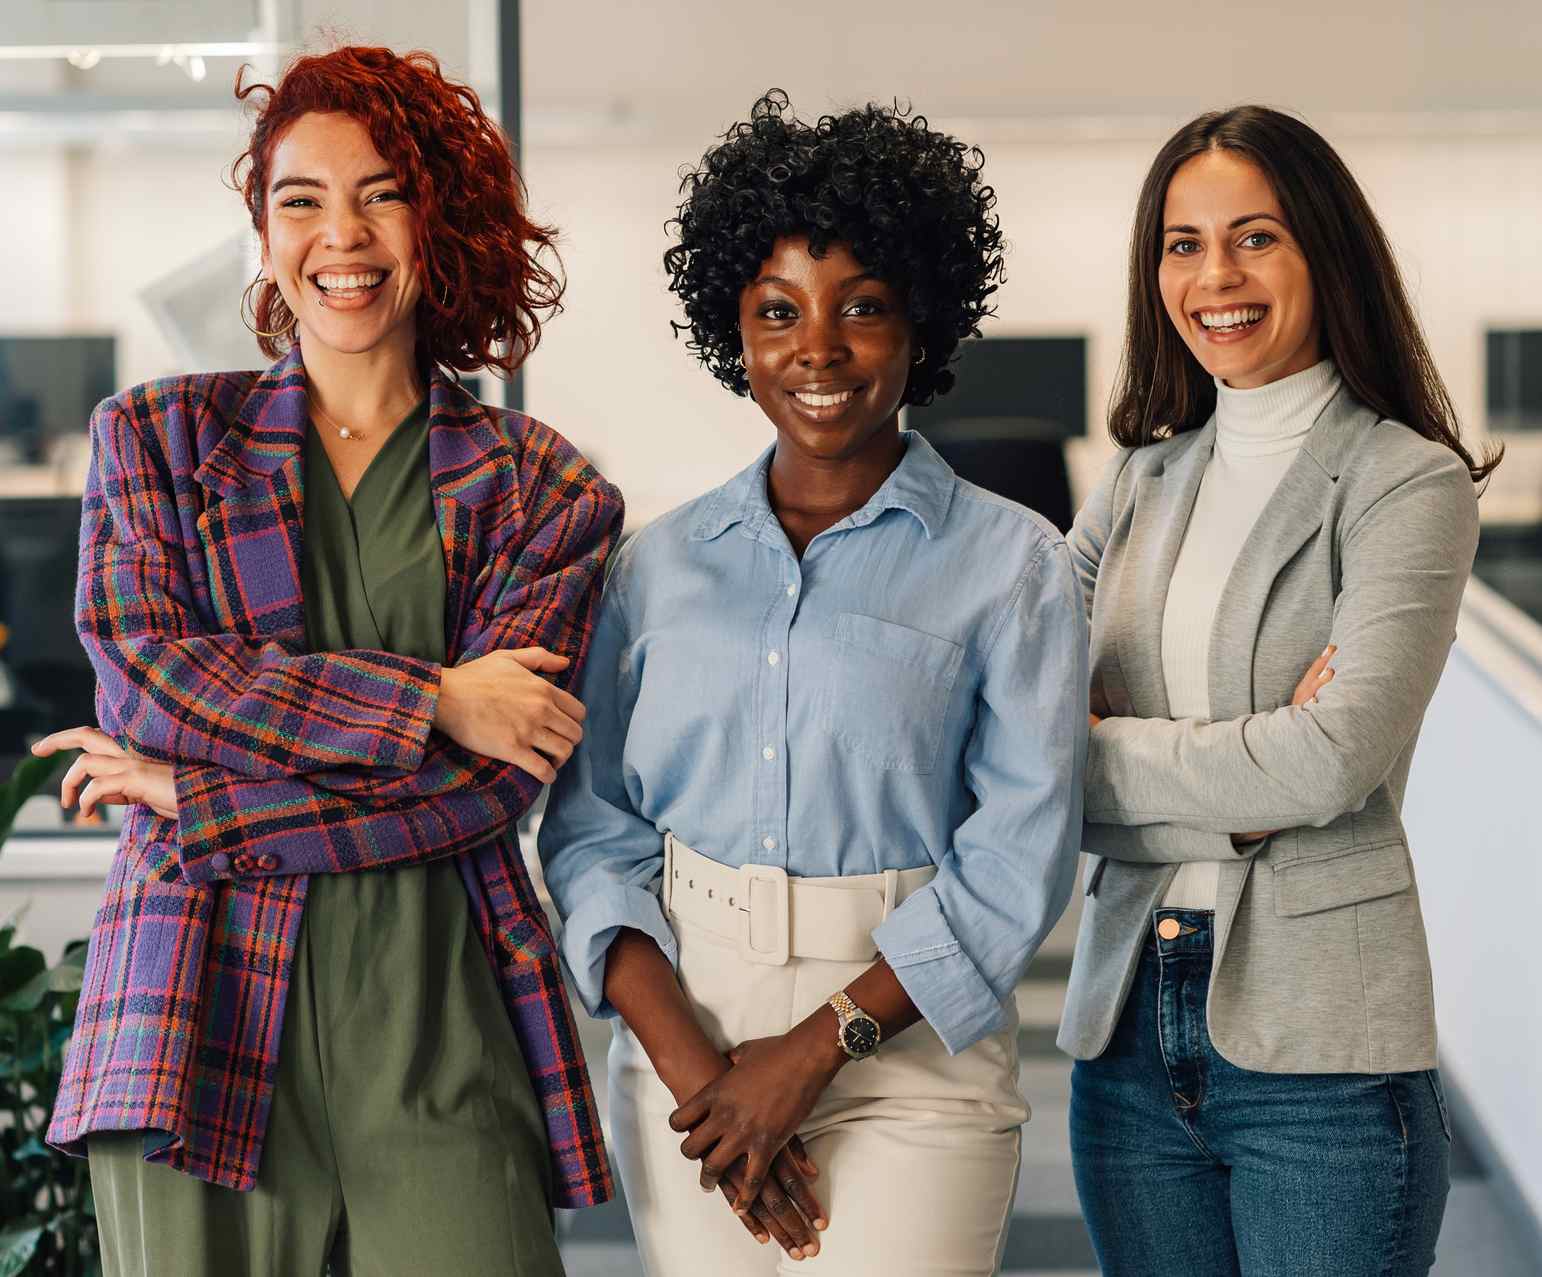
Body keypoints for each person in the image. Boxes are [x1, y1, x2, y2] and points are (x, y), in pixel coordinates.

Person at [34, 46, 622, 1277]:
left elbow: (486, 788)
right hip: (195, 1018)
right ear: (261, 230)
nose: (338, 235)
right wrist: (437, 696)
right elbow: (146, 678)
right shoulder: (158, 436)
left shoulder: (543, 487)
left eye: (382, 192)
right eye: (299, 198)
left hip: (442, 1018)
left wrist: (196, 794)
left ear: (438, 220)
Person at [537, 89, 1088, 1275]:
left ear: (922, 327)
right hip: (693, 1036)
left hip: (912, 1045)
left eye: (864, 308)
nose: (819, 347)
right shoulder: (657, 566)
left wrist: (818, 1044)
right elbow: (593, 833)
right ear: (733, 329)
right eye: (778, 310)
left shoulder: (1014, 564)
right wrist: (707, 1073)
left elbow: (1019, 850)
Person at [1059, 105, 1502, 1277]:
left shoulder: (1407, 482)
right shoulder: (1136, 485)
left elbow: (1330, 758)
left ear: (1323, 246)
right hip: (1126, 1038)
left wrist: (1119, 745)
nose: (1216, 276)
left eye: (1254, 236)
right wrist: (1243, 783)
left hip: (1323, 1054)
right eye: (1182, 242)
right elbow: (1019, 745)